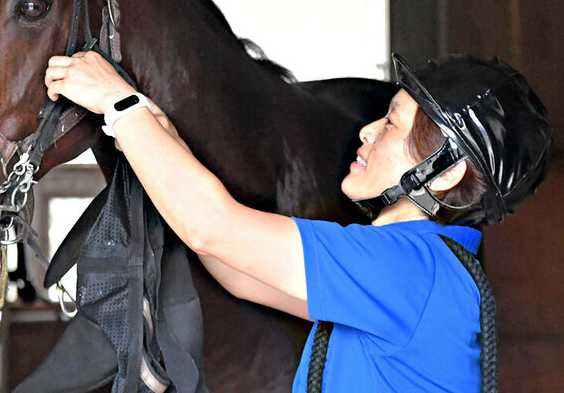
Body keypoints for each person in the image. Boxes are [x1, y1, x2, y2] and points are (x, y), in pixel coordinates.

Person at [43, 51, 553, 392]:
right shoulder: (422, 270)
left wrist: (120, 103)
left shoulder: (406, 267)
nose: (368, 130)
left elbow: (213, 227)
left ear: (445, 173)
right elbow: (237, 269)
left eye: (392, 122)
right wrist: (158, 132)